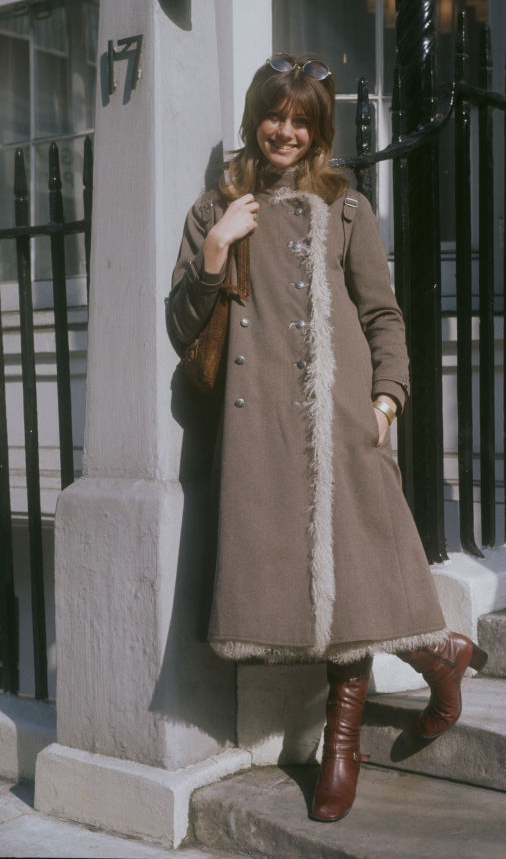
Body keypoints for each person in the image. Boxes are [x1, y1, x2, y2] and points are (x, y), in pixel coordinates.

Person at [166, 54, 486, 822]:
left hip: (344, 423)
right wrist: (215, 253)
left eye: (301, 118)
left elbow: (383, 316)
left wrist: (386, 401)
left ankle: (343, 744)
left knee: (361, 579)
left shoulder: (347, 209)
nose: (286, 130)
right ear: (256, 118)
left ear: (318, 129)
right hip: (261, 435)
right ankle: (446, 658)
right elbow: (183, 333)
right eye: (275, 115)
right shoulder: (217, 208)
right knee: (306, 586)